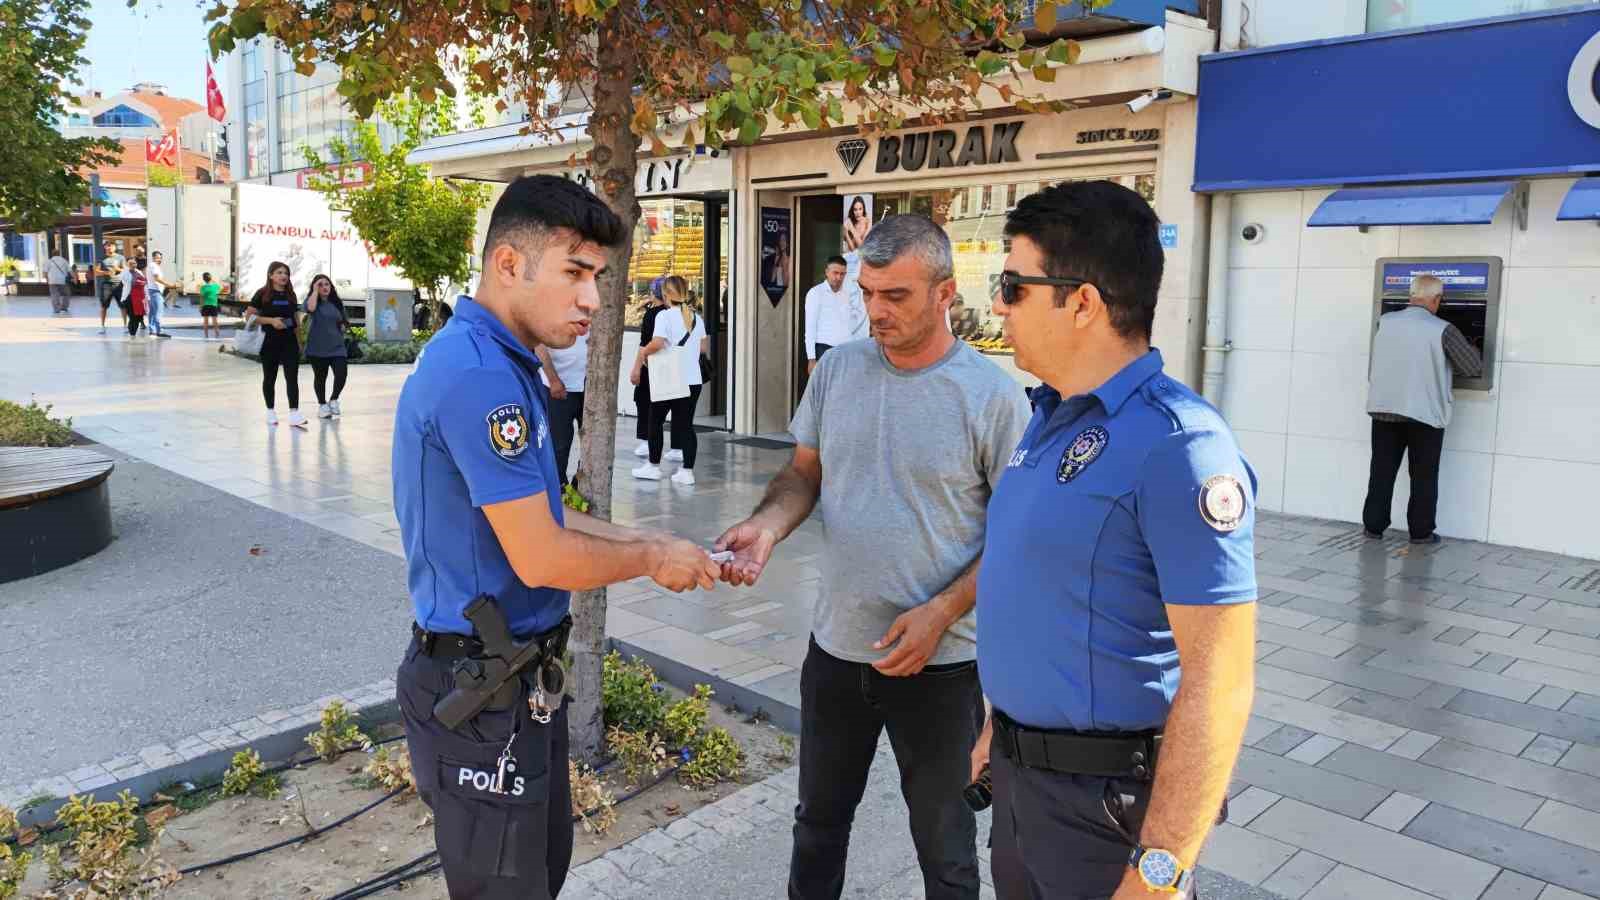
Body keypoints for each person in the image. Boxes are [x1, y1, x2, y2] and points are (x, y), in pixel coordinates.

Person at [391, 174, 720, 900]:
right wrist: (650, 558)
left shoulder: (504, 362)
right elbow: (540, 554)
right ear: (510, 263)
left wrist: (646, 538)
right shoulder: (478, 375)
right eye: (575, 273)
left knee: (540, 874)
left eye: (597, 277)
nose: (594, 301)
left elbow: (550, 512)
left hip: (514, 684)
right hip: (477, 692)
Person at [716, 215, 1031, 900]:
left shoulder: (994, 396)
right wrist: (768, 526)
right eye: (867, 293)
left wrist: (942, 614)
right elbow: (804, 473)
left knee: (946, 848)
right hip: (835, 653)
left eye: (896, 296)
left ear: (946, 293)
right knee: (818, 827)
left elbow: (1019, 538)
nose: (875, 312)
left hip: (940, 668)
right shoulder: (838, 369)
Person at [968, 181, 1258, 900]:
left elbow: (1220, 680)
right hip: (1022, 785)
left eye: (1013, 285)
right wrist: (997, 723)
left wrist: (1159, 873)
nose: (999, 305)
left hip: (1108, 812)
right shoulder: (1047, 417)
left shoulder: (1178, 445)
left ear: (1084, 303)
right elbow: (1040, 591)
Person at [1362, 274, 1484, 545]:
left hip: (1384, 410)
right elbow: (1472, 368)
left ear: (1411, 295)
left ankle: (1373, 527)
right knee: (1423, 475)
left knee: (1381, 472)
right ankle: (1420, 532)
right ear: (1436, 299)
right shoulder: (1443, 329)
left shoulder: (1386, 322)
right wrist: (1472, 348)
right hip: (1424, 414)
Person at [633, 276, 708, 485]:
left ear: (666, 295)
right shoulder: (696, 318)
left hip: (670, 378)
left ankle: (653, 467)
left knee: (655, 421)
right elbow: (703, 348)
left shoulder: (664, 317)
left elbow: (657, 343)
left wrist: (645, 353)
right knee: (686, 425)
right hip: (692, 380)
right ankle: (687, 472)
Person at [248, 261, 308, 428]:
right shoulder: (262, 294)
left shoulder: (291, 295)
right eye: (280, 272)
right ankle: (270, 411)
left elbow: (296, 319)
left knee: (292, 377)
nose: (284, 276)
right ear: (271, 275)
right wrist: (271, 321)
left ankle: (294, 413)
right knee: (270, 377)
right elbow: (250, 318)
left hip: (289, 341)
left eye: (286, 273)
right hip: (269, 342)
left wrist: (299, 341)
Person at [628, 278, 678, 460]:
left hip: (654, 366)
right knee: (675, 407)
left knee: (644, 402)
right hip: (674, 367)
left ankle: (645, 441)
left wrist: (637, 368)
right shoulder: (679, 313)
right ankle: (677, 447)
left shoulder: (652, 315)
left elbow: (645, 344)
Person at [535, 332, 587, 487]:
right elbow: (539, 346)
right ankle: (558, 487)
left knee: (591, 443)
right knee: (560, 443)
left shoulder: (596, 312)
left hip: (590, 387)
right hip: (559, 386)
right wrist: (553, 380)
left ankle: (579, 485)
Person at [803, 255, 868, 374]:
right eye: (835, 273)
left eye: (842, 274)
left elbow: (848, 324)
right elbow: (810, 328)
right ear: (827, 272)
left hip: (845, 351)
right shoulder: (816, 293)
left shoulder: (846, 294)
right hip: (823, 351)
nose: (838, 277)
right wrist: (811, 359)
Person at [304, 275, 350, 418]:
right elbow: (310, 308)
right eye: (320, 285)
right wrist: (314, 291)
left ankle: (334, 399)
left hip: (337, 346)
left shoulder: (336, 303)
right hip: (317, 347)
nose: (324, 287)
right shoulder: (312, 301)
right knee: (320, 377)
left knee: (342, 374)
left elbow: (344, 320)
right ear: (315, 287)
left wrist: (343, 326)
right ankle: (322, 405)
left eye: (327, 284)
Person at [97, 242, 125, 334]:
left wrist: (117, 269)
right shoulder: (101, 258)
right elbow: (96, 271)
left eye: (111, 246)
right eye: (107, 246)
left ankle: (125, 326)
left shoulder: (121, 258)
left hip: (119, 284)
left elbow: (126, 270)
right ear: (105, 247)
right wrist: (106, 273)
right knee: (104, 306)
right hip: (106, 285)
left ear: (115, 247)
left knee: (123, 306)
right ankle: (102, 326)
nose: (109, 248)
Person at [123, 258, 148, 339]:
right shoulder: (125, 273)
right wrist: (140, 282)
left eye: (134, 263)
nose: (133, 265)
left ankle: (133, 333)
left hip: (140, 297)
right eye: (131, 263)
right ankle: (132, 333)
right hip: (130, 297)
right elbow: (130, 282)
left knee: (139, 316)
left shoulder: (139, 272)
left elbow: (145, 282)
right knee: (132, 316)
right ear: (127, 265)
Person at [46, 246, 72, 316]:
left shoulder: (49, 261)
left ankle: (56, 309)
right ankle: (64, 307)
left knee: (54, 295)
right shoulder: (64, 260)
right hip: (62, 280)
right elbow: (69, 270)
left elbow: (45, 272)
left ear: (52, 254)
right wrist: (74, 278)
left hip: (52, 281)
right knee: (66, 294)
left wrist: (47, 280)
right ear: (59, 254)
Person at [199, 272, 222, 339]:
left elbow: (201, 298)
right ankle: (217, 335)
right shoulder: (215, 286)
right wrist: (213, 280)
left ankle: (206, 336)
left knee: (206, 321)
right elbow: (220, 287)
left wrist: (200, 306)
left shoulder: (203, 288)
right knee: (215, 321)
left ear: (203, 279)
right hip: (213, 305)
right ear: (210, 278)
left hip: (205, 305)